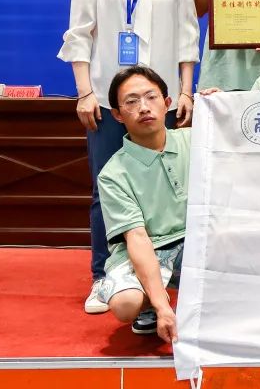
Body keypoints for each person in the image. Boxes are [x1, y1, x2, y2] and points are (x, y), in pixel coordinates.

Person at [58, 0, 198, 315]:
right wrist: (85, 91)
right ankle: (103, 275)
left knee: (166, 190)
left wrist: (186, 91)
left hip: (160, 101)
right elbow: (79, 32)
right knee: (106, 189)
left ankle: (164, 273)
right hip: (108, 98)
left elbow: (188, 36)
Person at [95, 66, 190, 343]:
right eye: (132, 101)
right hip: (147, 247)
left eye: (151, 97)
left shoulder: (196, 140)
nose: (144, 107)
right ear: (117, 114)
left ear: (167, 103)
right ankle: (150, 302)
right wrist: (162, 306)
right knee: (126, 303)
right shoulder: (113, 174)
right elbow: (137, 237)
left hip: (193, 240)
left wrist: (222, 102)